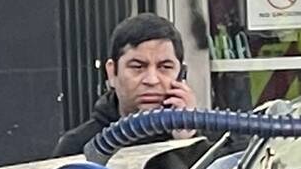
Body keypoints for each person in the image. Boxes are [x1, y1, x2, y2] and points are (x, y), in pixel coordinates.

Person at [53, 13, 195, 158]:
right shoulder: (77, 147)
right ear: (112, 72)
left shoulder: (205, 142)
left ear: (181, 74)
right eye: (137, 67)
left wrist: (186, 143)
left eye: (165, 67)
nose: (152, 80)